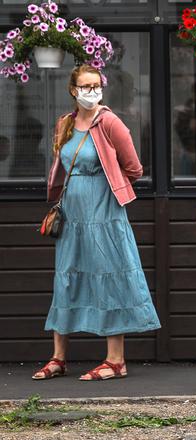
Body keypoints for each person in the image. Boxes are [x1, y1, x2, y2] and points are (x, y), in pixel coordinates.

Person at [33, 64, 160, 381]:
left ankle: (116, 360)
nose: (92, 91)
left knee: (109, 274)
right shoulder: (65, 123)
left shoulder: (110, 122)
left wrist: (109, 184)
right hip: (73, 215)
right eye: (85, 86)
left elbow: (134, 168)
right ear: (73, 90)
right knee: (67, 276)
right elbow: (60, 164)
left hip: (104, 213)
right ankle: (58, 358)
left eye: (96, 85)